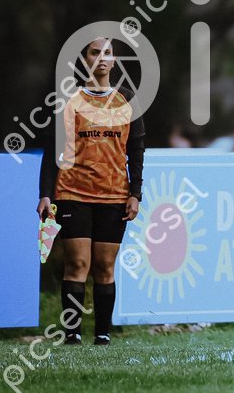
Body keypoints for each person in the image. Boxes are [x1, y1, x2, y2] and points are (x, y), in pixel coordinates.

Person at [37, 38, 145, 345]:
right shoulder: (69, 100)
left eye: (107, 53)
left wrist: (135, 193)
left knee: (104, 266)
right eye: (95, 52)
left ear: (114, 61)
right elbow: (53, 149)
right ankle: (72, 334)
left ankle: (102, 335)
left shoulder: (127, 100)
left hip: (114, 194)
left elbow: (136, 149)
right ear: (84, 60)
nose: (101, 58)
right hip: (72, 191)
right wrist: (45, 193)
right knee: (78, 264)